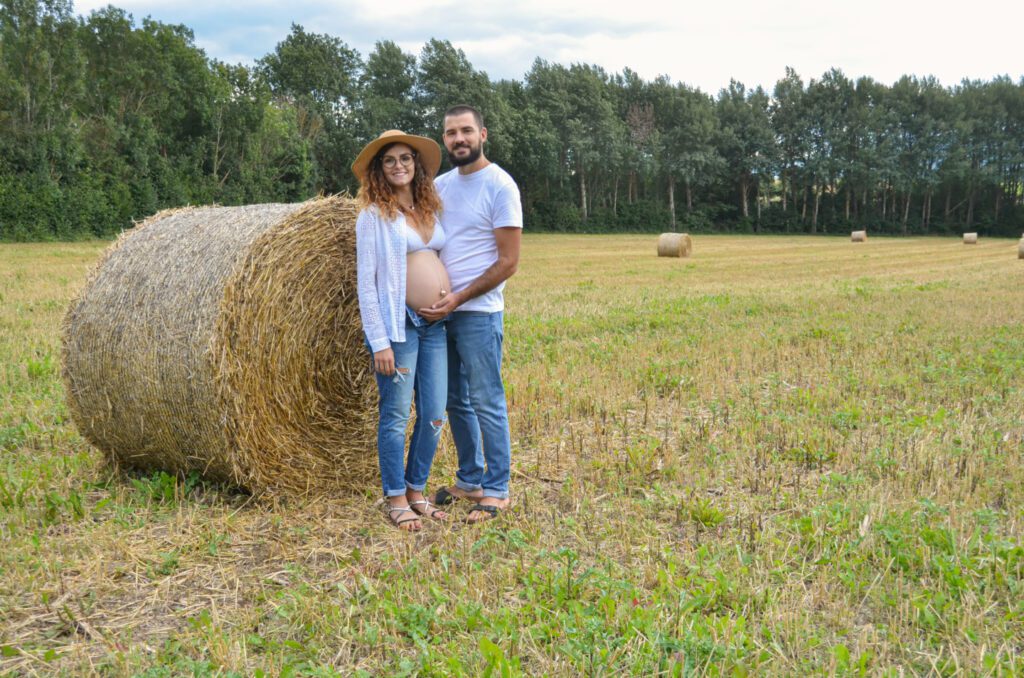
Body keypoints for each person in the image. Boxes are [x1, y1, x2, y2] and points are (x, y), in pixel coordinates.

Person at [418, 105, 523, 524]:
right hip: (442, 312)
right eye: (450, 133)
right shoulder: (440, 185)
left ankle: (497, 489)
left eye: (466, 131)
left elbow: (508, 261)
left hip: (478, 312)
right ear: (444, 140)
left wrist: (459, 297)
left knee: (486, 399)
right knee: (452, 400)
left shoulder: (500, 186)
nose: (458, 139)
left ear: (483, 133)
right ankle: (470, 479)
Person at [353, 130, 452, 531]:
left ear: (416, 164)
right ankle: (395, 496)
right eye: (390, 160)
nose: (399, 166)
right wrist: (379, 341)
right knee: (395, 415)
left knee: (433, 414)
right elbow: (367, 282)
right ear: (380, 168)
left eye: (406, 159)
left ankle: (417, 490)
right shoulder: (374, 215)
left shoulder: (430, 208)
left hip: (437, 326)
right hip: (400, 328)